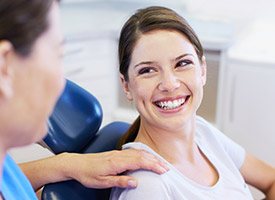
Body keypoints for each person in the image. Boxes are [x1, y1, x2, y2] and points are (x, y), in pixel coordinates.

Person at [0, 1, 169, 198]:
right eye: (57, 55)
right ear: (5, 66)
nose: (62, 85)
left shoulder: (6, 168)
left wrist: (65, 166)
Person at [110, 6, 275, 200]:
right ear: (126, 86)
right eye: (148, 70)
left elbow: (271, 180)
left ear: (202, 70)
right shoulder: (146, 187)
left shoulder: (203, 133)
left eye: (182, 64)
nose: (170, 84)